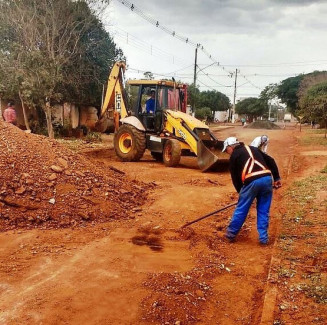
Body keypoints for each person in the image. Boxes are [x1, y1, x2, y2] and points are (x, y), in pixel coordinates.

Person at [222, 136, 282, 245]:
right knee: (264, 209)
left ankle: (230, 235)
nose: (227, 153)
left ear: (230, 147)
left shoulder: (234, 156)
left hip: (252, 181)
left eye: (226, 150)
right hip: (267, 179)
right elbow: (271, 160)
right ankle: (263, 238)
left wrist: (242, 193)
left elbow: (235, 178)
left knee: (242, 209)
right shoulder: (253, 148)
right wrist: (277, 178)